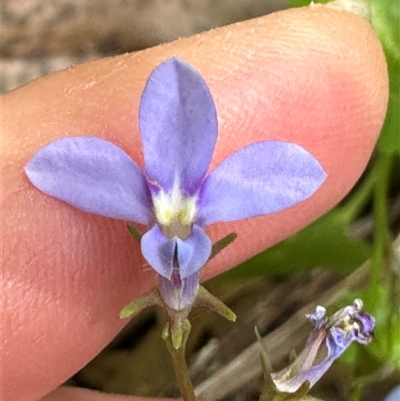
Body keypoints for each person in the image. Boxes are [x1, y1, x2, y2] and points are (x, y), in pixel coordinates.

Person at [1, 4, 388, 401]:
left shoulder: (274, 177)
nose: (173, 239)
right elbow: (55, 167)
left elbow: (295, 175)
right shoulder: (89, 178)